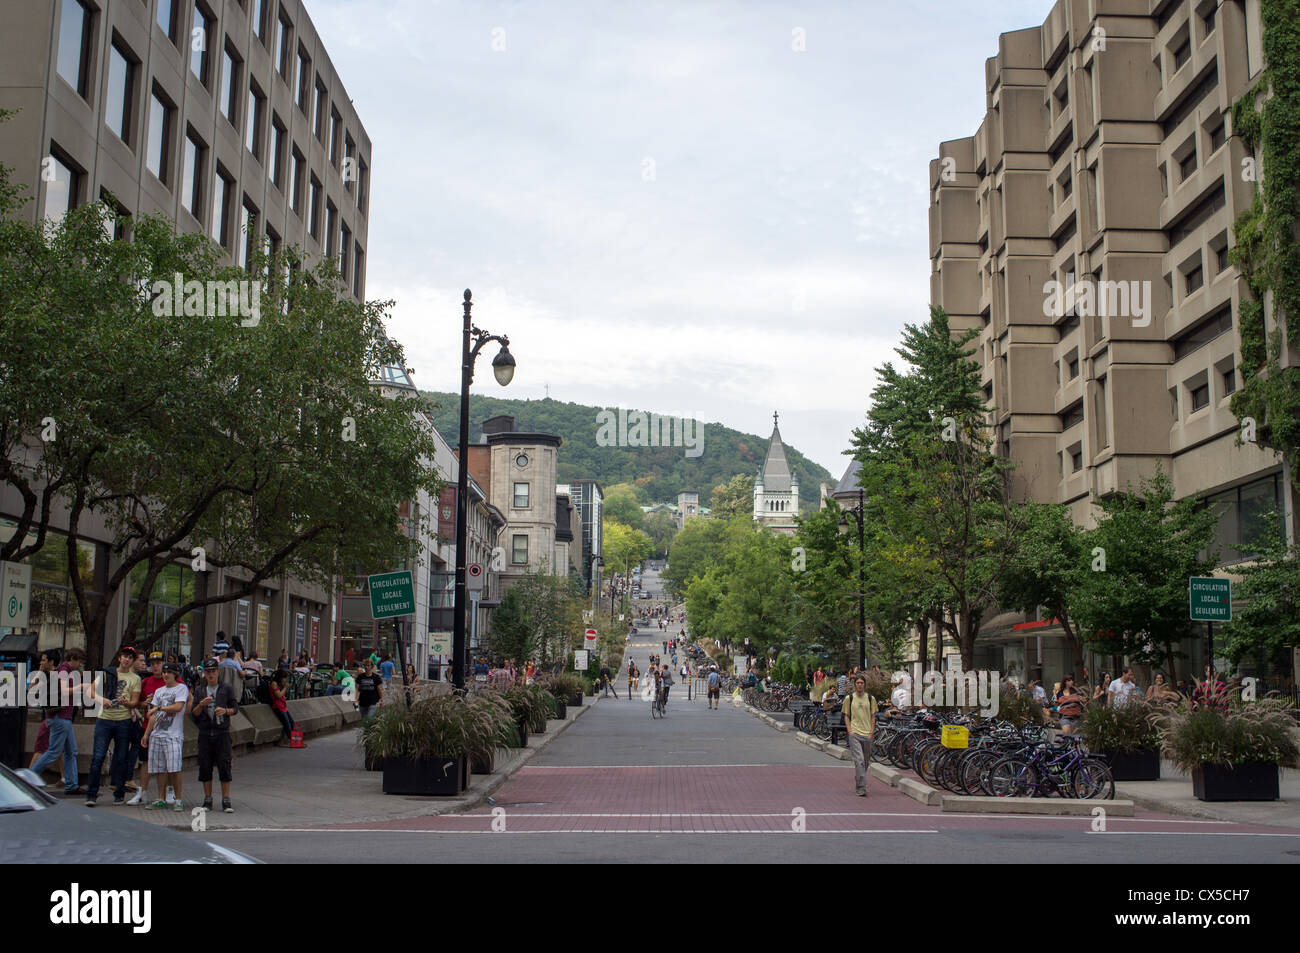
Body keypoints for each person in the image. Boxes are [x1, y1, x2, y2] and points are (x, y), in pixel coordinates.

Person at [85, 646, 142, 807]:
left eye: (130, 657)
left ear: (132, 661)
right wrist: (102, 700)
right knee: (98, 756)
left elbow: (135, 701)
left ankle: (119, 793)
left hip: (123, 720)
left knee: (121, 758)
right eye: (124, 656)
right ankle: (91, 794)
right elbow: (90, 691)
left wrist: (127, 702)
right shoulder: (106, 673)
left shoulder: (135, 679)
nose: (126, 659)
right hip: (104, 719)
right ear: (119, 658)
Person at [31, 648, 86, 795]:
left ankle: (72, 785)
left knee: (71, 751)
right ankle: (28, 779)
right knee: (54, 751)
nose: (80, 665)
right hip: (59, 717)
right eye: (79, 661)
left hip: (61, 717)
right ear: (72, 658)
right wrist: (81, 686)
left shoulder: (65, 670)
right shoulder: (64, 670)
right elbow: (64, 690)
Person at [189, 658, 238, 813]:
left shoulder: (226, 688)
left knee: (224, 765)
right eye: (208, 672)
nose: (210, 675)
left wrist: (225, 711)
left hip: (221, 732)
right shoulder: (199, 690)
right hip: (205, 732)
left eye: (213, 672)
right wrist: (201, 704)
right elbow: (194, 714)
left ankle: (226, 799)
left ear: (218, 672)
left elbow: (235, 708)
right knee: (205, 766)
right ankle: (207, 798)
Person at [141, 662, 189, 811]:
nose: (166, 675)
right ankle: (160, 798)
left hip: (173, 735)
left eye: (169, 672)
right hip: (157, 734)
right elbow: (153, 715)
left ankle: (178, 799)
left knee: (174, 768)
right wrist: (147, 733)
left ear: (175, 674)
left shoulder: (181, 688)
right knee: (159, 768)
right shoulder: (159, 691)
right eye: (164, 672)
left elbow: (178, 707)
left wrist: (160, 707)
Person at [127, 652, 168, 805]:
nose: (156, 666)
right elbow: (137, 702)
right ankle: (142, 792)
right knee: (145, 760)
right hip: (147, 726)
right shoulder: (145, 682)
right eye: (153, 663)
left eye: (158, 663)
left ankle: (164, 794)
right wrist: (143, 704)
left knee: (164, 762)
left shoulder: (169, 680)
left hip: (165, 727)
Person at [842, 675, 879, 796]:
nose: (859, 685)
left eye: (862, 683)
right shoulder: (849, 698)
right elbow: (846, 715)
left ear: (865, 684)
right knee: (859, 761)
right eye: (857, 682)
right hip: (855, 734)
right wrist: (850, 731)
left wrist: (871, 732)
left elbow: (873, 716)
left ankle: (859, 779)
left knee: (866, 762)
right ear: (854, 684)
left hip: (867, 734)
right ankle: (861, 788)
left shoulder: (870, 698)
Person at [268, 670, 299, 746]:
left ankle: (297, 741)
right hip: (277, 706)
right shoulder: (274, 684)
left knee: (292, 723)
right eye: (284, 678)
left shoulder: (280, 684)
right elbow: (278, 695)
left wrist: (284, 687)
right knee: (287, 724)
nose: (285, 679)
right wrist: (285, 688)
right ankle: (295, 742)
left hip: (283, 706)